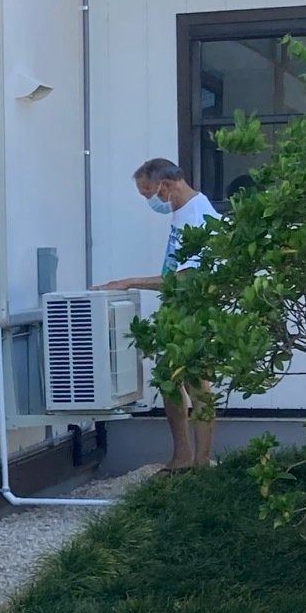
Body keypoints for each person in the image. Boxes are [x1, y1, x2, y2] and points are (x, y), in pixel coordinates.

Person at [96, 157, 221, 473]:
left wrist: (128, 281)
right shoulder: (182, 214)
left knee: (195, 383)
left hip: (195, 312)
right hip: (178, 312)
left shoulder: (199, 216)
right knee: (169, 379)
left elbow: (185, 279)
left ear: (165, 185)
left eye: (147, 193)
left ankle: (200, 462)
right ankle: (183, 457)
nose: (149, 200)